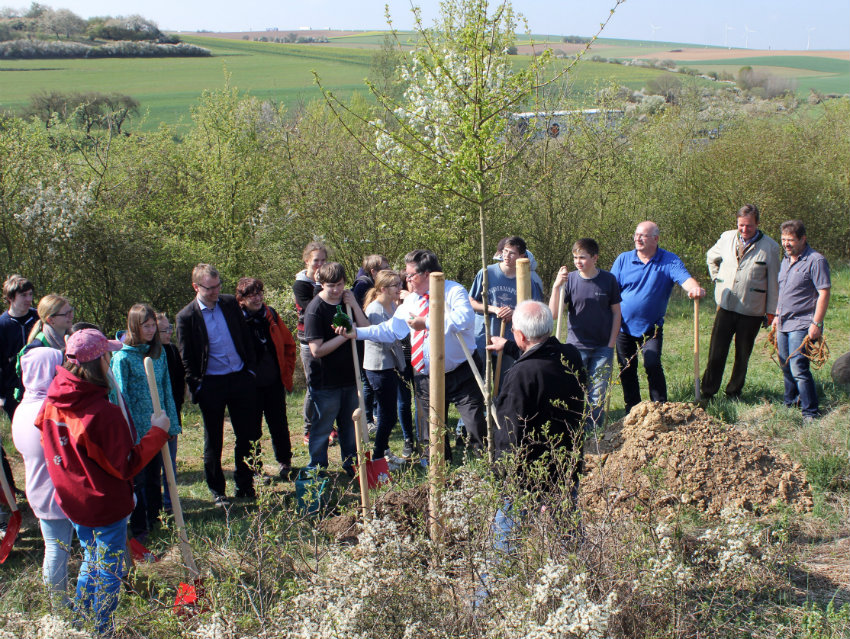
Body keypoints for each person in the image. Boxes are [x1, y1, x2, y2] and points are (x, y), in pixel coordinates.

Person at [36, 329, 170, 634]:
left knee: (91, 558)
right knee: (109, 566)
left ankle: (82, 619)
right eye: (108, 355)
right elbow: (126, 465)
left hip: (72, 499)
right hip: (102, 503)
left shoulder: (53, 401)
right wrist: (157, 432)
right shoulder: (101, 414)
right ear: (100, 361)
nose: (111, 359)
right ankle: (101, 626)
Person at [344, 250, 486, 456]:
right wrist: (356, 332)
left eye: (410, 275)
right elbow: (390, 330)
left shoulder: (453, 290)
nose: (406, 280)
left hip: (461, 372)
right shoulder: (411, 301)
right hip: (425, 377)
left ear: (426, 274)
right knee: (431, 435)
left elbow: (464, 319)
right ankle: (438, 480)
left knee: (476, 428)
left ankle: (485, 476)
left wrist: (427, 323)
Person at [486, 301, 585, 554]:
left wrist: (503, 476)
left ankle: (492, 590)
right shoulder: (571, 356)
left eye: (514, 336)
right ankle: (583, 580)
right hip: (565, 463)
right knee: (570, 537)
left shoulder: (520, 375)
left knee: (504, 546)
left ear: (519, 335)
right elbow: (541, 356)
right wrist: (509, 347)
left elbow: (511, 433)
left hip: (528, 474)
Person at [176, 264, 259, 506]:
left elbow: (245, 337)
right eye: (209, 288)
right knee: (214, 439)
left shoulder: (229, 303)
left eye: (217, 286)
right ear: (196, 287)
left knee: (248, 434)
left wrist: (250, 370)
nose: (214, 292)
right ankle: (217, 490)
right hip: (211, 383)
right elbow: (187, 358)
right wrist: (197, 386)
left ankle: (245, 484)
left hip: (240, 377)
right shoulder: (186, 316)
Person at [610, 221, 705, 413]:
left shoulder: (668, 260)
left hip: (651, 327)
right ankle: (633, 410)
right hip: (623, 326)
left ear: (655, 238)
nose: (638, 239)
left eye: (643, 235)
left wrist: (694, 289)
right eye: (636, 234)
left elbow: (685, 279)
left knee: (652, 364)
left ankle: (660, 407)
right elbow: (611, 288)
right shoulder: (623, 259)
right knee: (626, 368)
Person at [110, 304, 181, 540]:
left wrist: (171, 424)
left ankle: (156, 519)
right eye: (146, 326)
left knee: (155, 476)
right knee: (138, 478)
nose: (151, 330)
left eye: (153, 326)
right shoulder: (122, 357)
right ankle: (139, 527)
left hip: (157, 424)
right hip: (136, 428)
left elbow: (165, 388)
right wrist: (127, 431)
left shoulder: (156, 353)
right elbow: (120, 396)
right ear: (134, 326)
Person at [11, 347, 70, 606]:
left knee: (53, 547)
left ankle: (59, 603)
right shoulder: (50, 410)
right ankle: (60, 606)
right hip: (57, 490)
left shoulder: (22, 408)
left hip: (37, 486)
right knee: (58, 550)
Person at [702, 204, 780, 400]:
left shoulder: (770, 247)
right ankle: (708, 391)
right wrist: (717, 279)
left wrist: (771, 312)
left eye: (749, 226)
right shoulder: (727, 237)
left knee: (742, 354)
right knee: (716, 352)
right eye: (741, 225)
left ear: (758, 224)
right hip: (726, 306)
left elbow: (774, 282)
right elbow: (711, 257)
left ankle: (734, 391)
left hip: (752, 310)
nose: (744, 230)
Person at [302, 262, 369, 475]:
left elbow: (366, 330)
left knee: (350, 426)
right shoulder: (315, 309)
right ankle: (317, 469)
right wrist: (345, 336)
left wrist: (356, 306)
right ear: (321, 284)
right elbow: (317, 350)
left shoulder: (348, 300)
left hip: (351, 376)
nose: (336, 290)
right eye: (331, 285)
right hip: (325, 381)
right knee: (322, 427)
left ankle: (351, 465)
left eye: (340, 284)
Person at [548, 238, 621, 430]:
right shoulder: (569, 280)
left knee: (597, 392)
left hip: (602, 347)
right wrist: (556, 286)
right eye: (575, 257)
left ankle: (592, 432)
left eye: (582, 257)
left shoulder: (608, 280)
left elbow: (616, 313)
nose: (578, 261)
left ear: (595, 258)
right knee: (573, 389)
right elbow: (553, 314)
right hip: (575, 346)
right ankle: (571, 427)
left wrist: (611, 343)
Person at [236, 277, 297, 480]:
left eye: (259, 293)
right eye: (251, 295)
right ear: (241, 299)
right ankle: (256, 469)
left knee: (279, 424)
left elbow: (288, 344)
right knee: (252, 430)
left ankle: (285, 463)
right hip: (249, 386)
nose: (257, 298)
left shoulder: (270, 314)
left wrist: (286, 372)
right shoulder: (235, 319)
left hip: (273, 381)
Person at [772, 220, 831, 422]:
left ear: (803, 239)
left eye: (791, 240)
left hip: (803, 322)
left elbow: (823, 293)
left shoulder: (816, 261)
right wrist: (777, 315)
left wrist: (817, 323)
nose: (786, 244)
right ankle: (791, 403)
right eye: (783, 240)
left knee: (798, 367)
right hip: (783, 322)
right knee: (785, 364)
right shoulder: (785, 261)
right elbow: (783, 292)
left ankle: (810, 412)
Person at [469, 236, 544, 373]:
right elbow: (471, 302)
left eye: (512, 253)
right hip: (483, 337)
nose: (506, 256)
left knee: (505, 384)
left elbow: (535, 312)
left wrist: (515, 314)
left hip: (510, 341)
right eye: (505, 251)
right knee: (478, 385)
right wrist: (493, 309)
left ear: (522, 256)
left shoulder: (528, 280)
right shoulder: (486, 273)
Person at [362, 270, 406, 462]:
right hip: (378, 367)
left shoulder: (392, 307)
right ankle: (379, 456)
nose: (400, 288)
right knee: (388, 416)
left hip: (390, 365)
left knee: (387, 414)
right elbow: (387, 339)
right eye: (396, 285)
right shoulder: (375, 310)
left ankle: (384, 451)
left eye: (399, 284)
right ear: (383, 289)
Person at [293, 241, 327, 446]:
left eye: (323, 260)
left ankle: (326, 426)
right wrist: (317, 284)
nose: (320, 264)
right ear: (307, 261)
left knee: (327, 384)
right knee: (313, 385)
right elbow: (312, 309)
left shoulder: (326, 280)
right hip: (308, 340)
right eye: (316, 260)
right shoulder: (301, 285)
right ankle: (309, 429)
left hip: (326, 339)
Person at [156, 312, 184, 512]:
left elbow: (178, 382)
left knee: (170, 462)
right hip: (153, 417)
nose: (169, 333)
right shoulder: (149, 354)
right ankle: (155, 504)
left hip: (173, 412)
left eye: (169, 328)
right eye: (164, 330)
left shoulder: (173, 350)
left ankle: (170, 503)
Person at [0, 275, 38, 420]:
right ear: (10, 297)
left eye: (30, 294)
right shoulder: (2, 325)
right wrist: (1, 395)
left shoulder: (39, 318)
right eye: (23, 295)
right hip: (13, 389)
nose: (29, 299)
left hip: (39, 384)